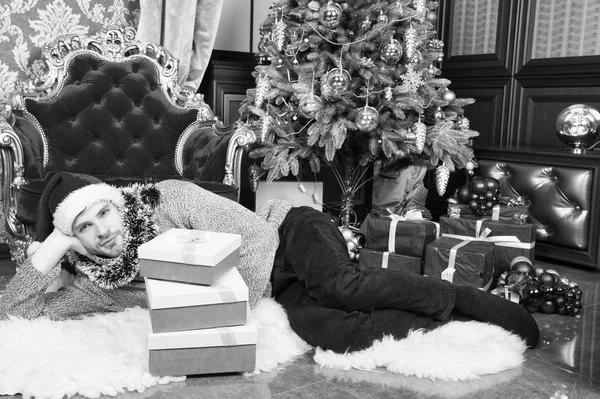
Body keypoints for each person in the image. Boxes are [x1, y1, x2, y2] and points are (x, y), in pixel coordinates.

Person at [0, 172, 540, 352]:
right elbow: (15, 314)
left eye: (101, 213)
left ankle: (467, 300)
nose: (103, 232)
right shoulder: (101, 282)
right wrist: (51, 249)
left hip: (285, 233)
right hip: (276, 288)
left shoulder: (167, 198)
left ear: (116, 200)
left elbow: (252, 235)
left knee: (339, 286)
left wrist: (236, 306)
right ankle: (446, 326)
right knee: (323, 328)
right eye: (84, 230)